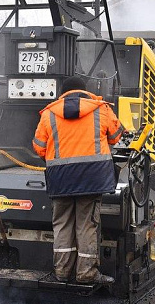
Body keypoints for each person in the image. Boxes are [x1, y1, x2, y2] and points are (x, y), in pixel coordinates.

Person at [32, 76, 124, 285]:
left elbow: (39, 147)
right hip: (92, 180)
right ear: (84, 91)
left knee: (62, 224)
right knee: (87, 225)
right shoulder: (101, 109)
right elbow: (116, 136)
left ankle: (62, 272)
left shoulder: (48, 114)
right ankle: (86, 274)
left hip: (60, 179)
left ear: (63, 92)